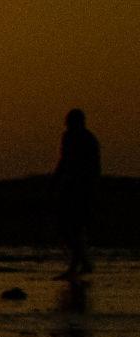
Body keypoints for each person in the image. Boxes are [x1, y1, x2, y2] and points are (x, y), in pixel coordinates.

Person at [53, 108, 101, 279]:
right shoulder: (73, 138)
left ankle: (78, 265)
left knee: (72, 227)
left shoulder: (86, 139)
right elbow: (64, 160)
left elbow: (91, 167)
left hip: (80, 189)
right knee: (69, 228)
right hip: (72, 187)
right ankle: (82, 263)